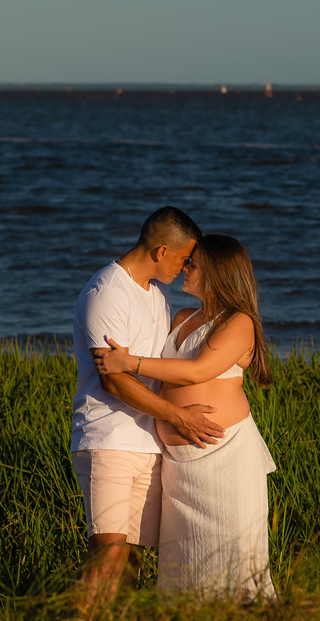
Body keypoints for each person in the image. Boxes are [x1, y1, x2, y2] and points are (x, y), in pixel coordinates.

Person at [94, 234, 277, 602]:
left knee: (233, 566)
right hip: (178, 468)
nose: (184, 268)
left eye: (192, 263)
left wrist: (129, 363)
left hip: (224, 461)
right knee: (184, 570)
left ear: (217, 271)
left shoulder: (239, 321)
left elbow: (197, 371)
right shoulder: (182, 316)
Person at [70, 207, 224, 610]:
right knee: (107, 555)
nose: (187, 267)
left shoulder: (159, 291)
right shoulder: (106, 293)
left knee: (133, 561)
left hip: (148, 444)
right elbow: (114, 379)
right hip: (109, 439)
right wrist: (177, 416)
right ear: (160, 251)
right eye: (183, 259)